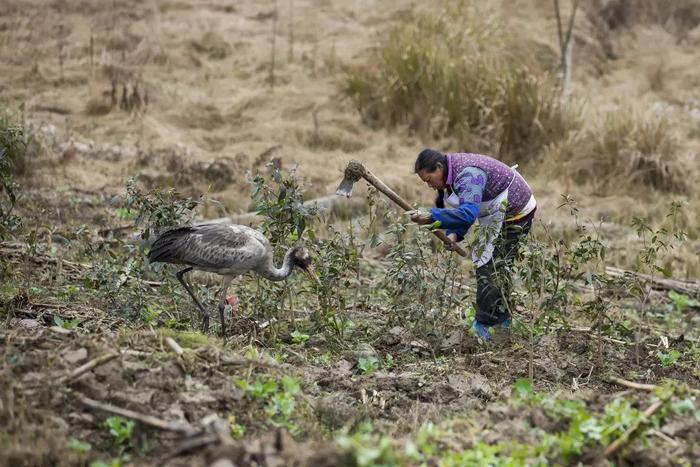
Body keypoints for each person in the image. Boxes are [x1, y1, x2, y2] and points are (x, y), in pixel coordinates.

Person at [411, 149, 536, 341]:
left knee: (491, 266)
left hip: (515, 211)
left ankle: (487, 325)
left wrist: (431, 216)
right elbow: (469, 206)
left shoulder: (468, 174)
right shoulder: (452, 173)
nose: (429, 185)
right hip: (495, 211)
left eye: (429, 179)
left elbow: (468, 213)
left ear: (439, 167)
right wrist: (454, 234)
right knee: (493, 264)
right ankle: (501, 322)